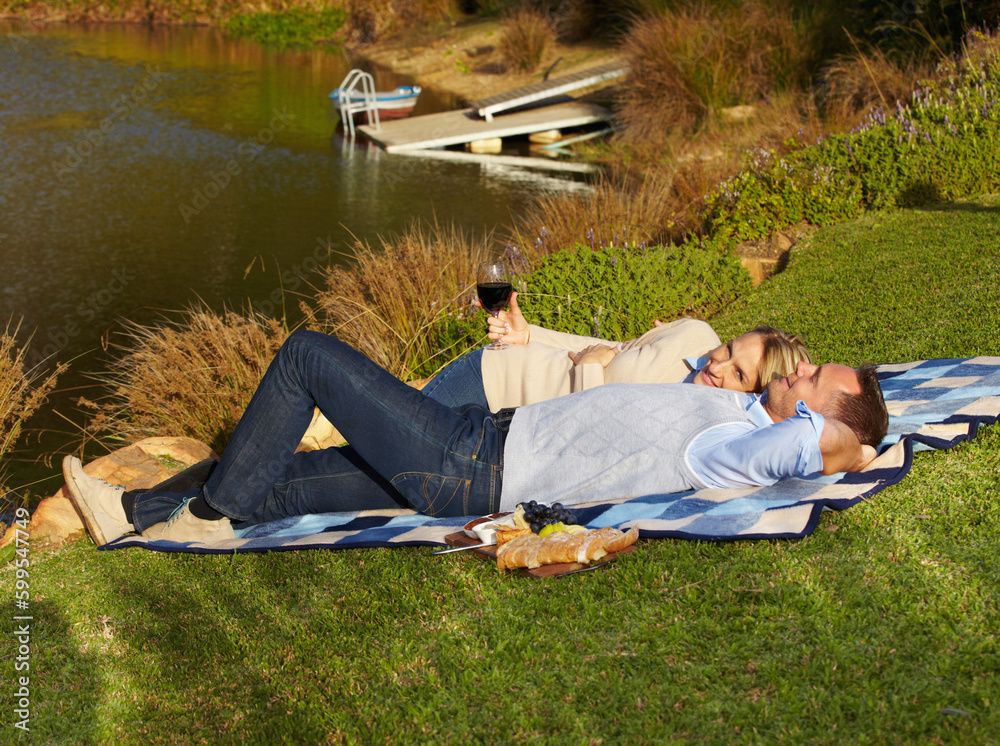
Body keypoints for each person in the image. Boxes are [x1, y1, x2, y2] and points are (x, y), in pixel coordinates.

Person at [64, 330, 888, 548]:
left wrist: (851, 443)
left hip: (474, 463)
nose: (802, 368)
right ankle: (132, 508)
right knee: (281, 483)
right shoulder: (731, 414)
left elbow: (814, 451)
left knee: (307, 356)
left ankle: (206, 516)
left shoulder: (738, 446)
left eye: (816, 380)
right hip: (481, 446)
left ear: (821, 419)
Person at [421, 291, 811, 411]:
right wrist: (529, 336)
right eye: (728, 348)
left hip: (500, 403)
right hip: (492, 370)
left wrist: (590, 368)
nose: (717, 363)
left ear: (757, 397)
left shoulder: (682, 413)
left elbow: (585, 426)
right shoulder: (695, 334)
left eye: (739, 374)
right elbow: (613, 349)